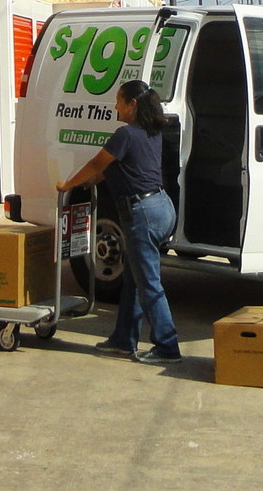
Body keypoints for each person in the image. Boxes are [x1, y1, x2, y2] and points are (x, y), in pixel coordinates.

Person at [55, 79, 181, 363]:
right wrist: (96, 180)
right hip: (162, 207)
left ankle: (167, 347)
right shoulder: (151, 132)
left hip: (143, 213)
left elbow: (97, 164)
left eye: (118, 101)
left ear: (132, 105)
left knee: (149, 284)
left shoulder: (124, 134)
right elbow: (122, 167)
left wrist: (69, 185)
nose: (115, 107)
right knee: (135, 281)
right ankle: (123, 340)